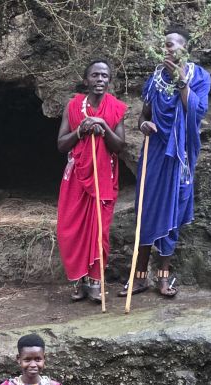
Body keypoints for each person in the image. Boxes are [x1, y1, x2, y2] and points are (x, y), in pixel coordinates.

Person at [121, 29, 211, 299]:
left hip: (181, 155)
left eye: (171, 45)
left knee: (173, 212)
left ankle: (163, 277)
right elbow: (143, 117)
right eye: (163, 46)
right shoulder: (155, 79)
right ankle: (138, 277)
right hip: (156, 152)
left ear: (185, 49)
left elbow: (195, 111)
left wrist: (181, 81)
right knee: (146, 211)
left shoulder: (199, 76)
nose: (166, 50)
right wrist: (144, 125)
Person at [56, 60, 128, 303]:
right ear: (86, 80)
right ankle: (78, 279)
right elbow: (61, 143)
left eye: (105, 76)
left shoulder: (116, 108)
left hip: (103, 178)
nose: (100, 79)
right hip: (76, 176)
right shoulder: (73, 106)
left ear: (109, 80)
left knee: (99, 229)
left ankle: (96, 281)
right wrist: (81, 131)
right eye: (95, 75)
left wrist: (103, 126)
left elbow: (119, 146)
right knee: (71, 229)